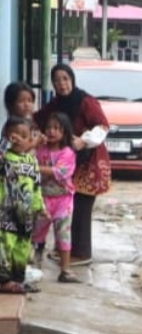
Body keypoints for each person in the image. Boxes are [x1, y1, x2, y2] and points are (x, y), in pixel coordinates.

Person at [35, 63, 111, 267]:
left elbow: (103, 126)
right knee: (68, 206)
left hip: (89, 160)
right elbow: (38, 119)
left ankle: (82, 251)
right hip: (68, 161)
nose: (61, 84)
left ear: (72, 79)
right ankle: (68, 248)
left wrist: (83, 141)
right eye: (57, 80)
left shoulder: (86, 102)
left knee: (82, 206)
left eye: (65, 79)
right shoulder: (56, 104)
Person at [32, 112, 79, 283]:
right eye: (49, 128)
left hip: (63, 200)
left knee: (63, 234)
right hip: (42, 198)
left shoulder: (68, 152)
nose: (51, 131)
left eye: (56, 128)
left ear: (64, 132)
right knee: (37, 233)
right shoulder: (40, 150)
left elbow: (60, 172)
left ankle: (65, 269)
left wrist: (38, 168)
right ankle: (34, 264)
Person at [0, 117, 44, 294]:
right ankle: (3, 280)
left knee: (22, 246)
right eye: (14, 135)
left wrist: (39, 206)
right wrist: (4, 144)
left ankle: (18, 277)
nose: (19, 138)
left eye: (24, 136)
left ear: (30, 140)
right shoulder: (4, 159)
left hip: (25, 215)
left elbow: (36, 185)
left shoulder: (31, 161)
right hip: (5, 212)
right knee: (5, 245)